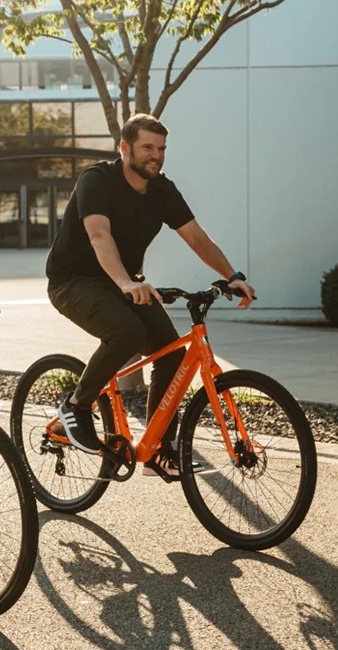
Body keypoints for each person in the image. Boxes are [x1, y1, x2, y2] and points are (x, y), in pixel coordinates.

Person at [45, 113, 255, 479]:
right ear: (124, 148)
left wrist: (232, 276)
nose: (155, 155)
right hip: (73, 281)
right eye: (147, 147)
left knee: (171, 352)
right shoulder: (97, 180)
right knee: (125, 332)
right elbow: (99, 236)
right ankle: (75, 407)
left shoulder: (162, 190)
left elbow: (196, 237)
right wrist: (127, 283)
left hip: (124, 282)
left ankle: (158, 448)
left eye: (161, 148)